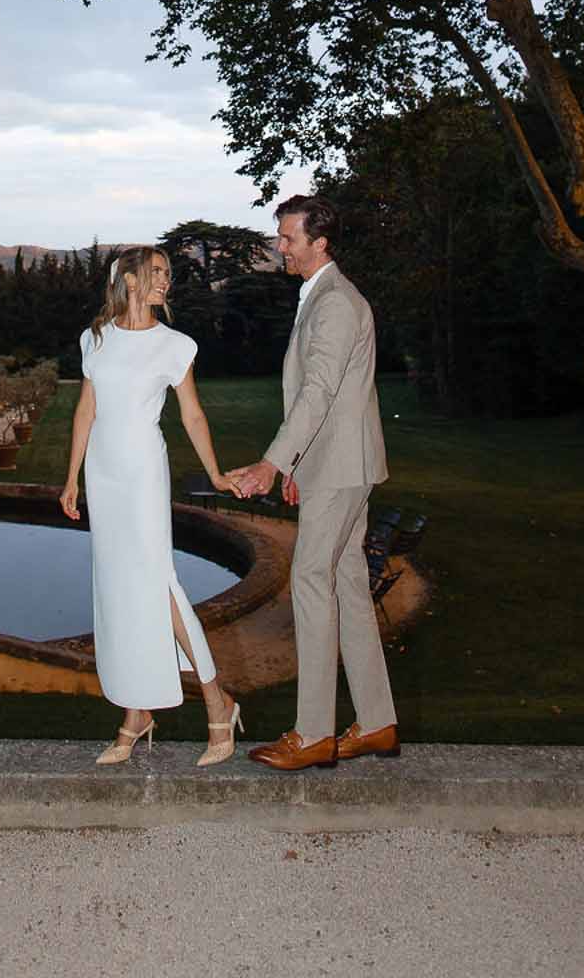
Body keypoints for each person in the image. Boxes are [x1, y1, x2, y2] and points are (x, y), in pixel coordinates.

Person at [228, 194, 399, 769]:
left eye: (289, 239)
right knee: (347, 587)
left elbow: (318, 392)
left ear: (319, 242)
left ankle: (313, 734)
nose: (280, 247)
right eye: (279, 237)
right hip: (339, 465)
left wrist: (275, 462)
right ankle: (376, 724)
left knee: (309, 582)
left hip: (340, 468)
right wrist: (300, 464)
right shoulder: (324, 297)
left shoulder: (334, 303)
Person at [60, 245, 242, 766]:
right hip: (103, 474)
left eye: (168, 273)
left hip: (142, 473)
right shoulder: (94, 338)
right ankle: (136, 713)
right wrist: (71, 477)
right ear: (131, 281)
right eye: (157, 272)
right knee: (118, 591)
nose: (166, 281)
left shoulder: (174, 344)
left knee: (159, 586)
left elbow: (192, 416)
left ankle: (217, 702)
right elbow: (85, 411)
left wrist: (213, 473)